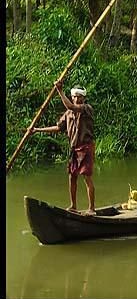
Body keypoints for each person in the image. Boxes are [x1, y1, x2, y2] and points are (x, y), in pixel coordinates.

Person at [32, 81, 96, 214]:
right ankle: (73, 205)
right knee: (72, 176)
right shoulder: (68, 114)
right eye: (75, 96)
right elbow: (58, 128)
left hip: (85, 147)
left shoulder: (86, 108)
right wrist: (37, 129)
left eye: (80, 96)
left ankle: (91, 209)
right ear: (72, 97)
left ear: (83, 98)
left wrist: (60, 91)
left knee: (86, 177)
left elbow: (72, 107)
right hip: (74, 149)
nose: (77, 98)